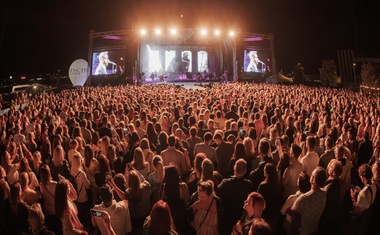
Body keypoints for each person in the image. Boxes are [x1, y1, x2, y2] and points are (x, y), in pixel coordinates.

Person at [217, 159, 252, 234]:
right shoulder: (248, 184)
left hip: (227, 218)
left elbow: (217, 195)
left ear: (234, 167)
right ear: (245, 170)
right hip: (241, 219)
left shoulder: (225, 183)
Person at [289, 166, 327, 235]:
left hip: (302, 232)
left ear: (313, 180)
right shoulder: (324, 194)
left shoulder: (303, 198)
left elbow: (292, 213)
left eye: (312, 175)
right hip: (314, 230)